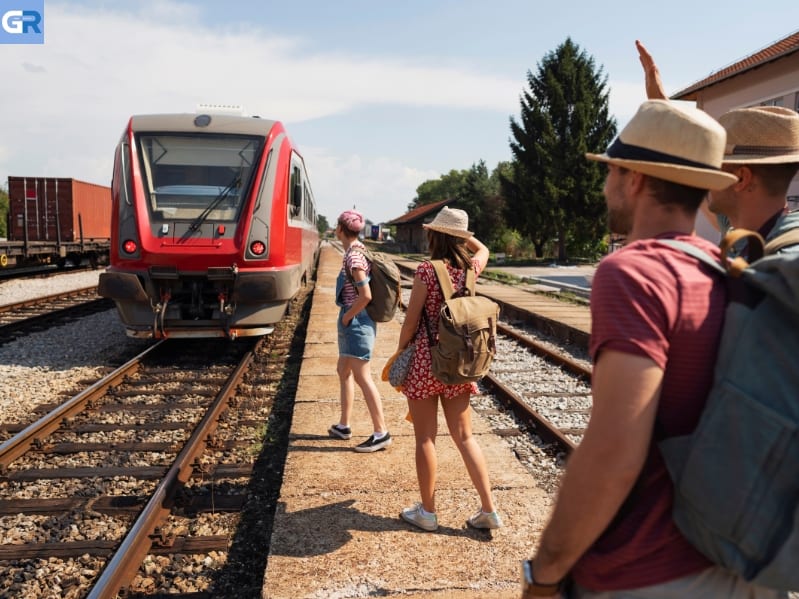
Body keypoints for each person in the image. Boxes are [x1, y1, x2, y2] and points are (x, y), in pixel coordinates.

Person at [523, 100, 786, 598]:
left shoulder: (634, 272)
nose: (605, 188)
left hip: (652, 574)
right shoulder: (729, 266)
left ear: (634, 179)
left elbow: (614, 453)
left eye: (611, 173)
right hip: (740, 560)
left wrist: (545, 572)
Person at [394, 206, 502, 532]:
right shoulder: (472, 268)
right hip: (460, 362)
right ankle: (489, 509)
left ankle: (427, 513)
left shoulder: (427, 271)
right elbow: (483, 249)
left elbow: (411, 323)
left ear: (434, 235)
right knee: (465, 436)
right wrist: (467, 237)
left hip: (428, 363)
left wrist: (400, 352)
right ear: (459, 238)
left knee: (426, 439)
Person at [636, 40, 799, 255]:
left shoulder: (782, 268)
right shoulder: (749, 230)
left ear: (741, 179)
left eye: (714, 166)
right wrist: (665, 111)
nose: (706, 175)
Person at [329, 210, 392, 453]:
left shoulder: (354, 258)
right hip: (353, 321)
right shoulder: (358, 250)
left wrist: (347, 316)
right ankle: (344, 425)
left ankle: (381, 432)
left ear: (340, 230)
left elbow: (365, 296)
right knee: (343, 370)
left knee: (362, 377)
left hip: (356, 321)